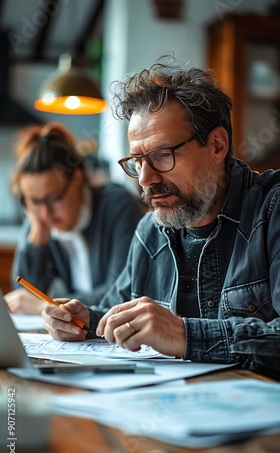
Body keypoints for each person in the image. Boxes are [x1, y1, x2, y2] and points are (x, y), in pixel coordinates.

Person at [42, 56, 280, 380]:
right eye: (138, 161)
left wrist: (184, 335)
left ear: (217, 145)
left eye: (162, 155)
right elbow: (118, 308)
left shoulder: (272, 211)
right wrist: (87, 322)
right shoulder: (150, 230)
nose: (145, 179)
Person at [4, 122, 143, 314]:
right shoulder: (40, 218)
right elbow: (24, 293)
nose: (45, 212)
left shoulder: (117, 205)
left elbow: (121, 292)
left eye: (54, 199)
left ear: (77, 177)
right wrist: (38, 230)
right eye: (34, 201)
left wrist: (47, 306)